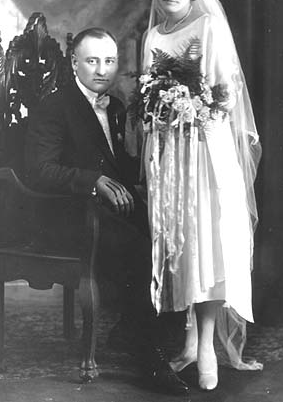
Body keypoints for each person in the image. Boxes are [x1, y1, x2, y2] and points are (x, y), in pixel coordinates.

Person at [25, 27, 189, 394]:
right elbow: (38, 170)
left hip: (104, 212)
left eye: (109, 61)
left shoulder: (113, 106)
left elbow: (117, 165)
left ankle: (140, 334)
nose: (102, 69)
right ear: (74, 63)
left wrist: (155, 175)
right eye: (92, 60)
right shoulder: (54, 106)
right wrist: (92, 180)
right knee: (137, 248)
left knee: (170, 236)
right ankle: (147, 356)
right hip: (63, 217)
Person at [141, 0, 263, 391]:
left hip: (206, 153)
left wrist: (192, 108)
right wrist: (161, 108)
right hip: (170, 155)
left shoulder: (208, 26)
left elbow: (225, 97)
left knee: (207, 249)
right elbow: (147, 96)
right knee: (182, 249)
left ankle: (208, 345)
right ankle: (191, 340)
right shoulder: (153, 36)